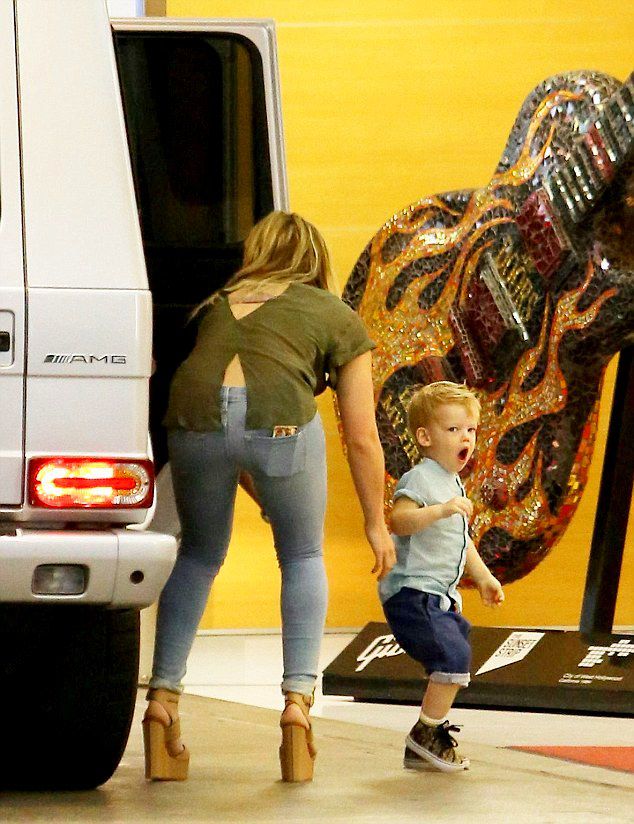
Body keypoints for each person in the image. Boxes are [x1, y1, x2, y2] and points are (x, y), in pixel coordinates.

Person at [143, 210, 396, 783]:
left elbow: (230, 424)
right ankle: (298, 708)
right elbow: (361, 436)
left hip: (191, 420)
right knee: (302, 555)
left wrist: (258, 483)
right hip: (280, 425)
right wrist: (376, 523)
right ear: (316, 257)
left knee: (198, 555)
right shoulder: (334, 313)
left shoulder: (216, 305)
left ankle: (162, 700)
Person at [380, 381, 504, 773]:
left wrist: (483, 577)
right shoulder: (420, 478)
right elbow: (399, 521)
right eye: (453, 429)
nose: (465, 438)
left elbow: (462, 543)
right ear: (425, 437)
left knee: (457, 649)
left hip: (438, 596)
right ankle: (426, 735)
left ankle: (427, 734)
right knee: (452, 656)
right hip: (412, 592)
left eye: (471, 430)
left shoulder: (452, 482)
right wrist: (440, 510)